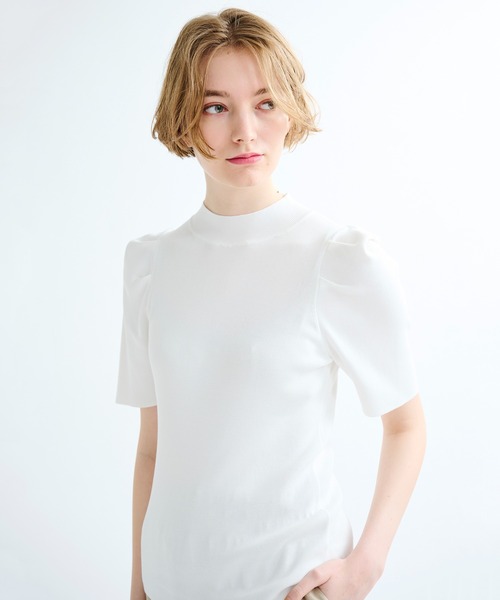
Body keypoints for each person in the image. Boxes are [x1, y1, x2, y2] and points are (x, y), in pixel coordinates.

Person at [115, 7, 426, 600]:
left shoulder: (340, 260)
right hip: (172, 583)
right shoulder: (150, 266)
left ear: (290, 109)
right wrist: (138, 587)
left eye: (265, 102)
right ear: (183, 114)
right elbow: (153, 449)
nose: (244, 132)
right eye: (215, 107)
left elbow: (406, 425)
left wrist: (363, 568)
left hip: (293, 583)